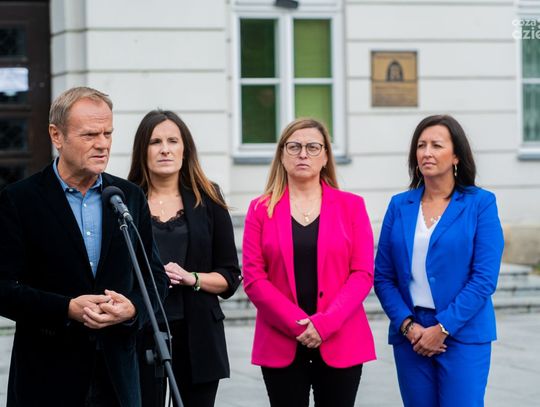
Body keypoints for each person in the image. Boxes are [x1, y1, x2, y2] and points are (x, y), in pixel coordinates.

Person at [0, 86, 168, 406]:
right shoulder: (19, 200)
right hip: (47, 378)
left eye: (108, 133)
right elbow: (4, 288)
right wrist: (66, 308)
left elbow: (154, 279)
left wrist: (133, 309)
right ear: (57, 135)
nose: (102, 144)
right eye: (90, 134)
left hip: (118, 378)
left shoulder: (128, 197)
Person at [242, 118, 376, 407]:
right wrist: (299, 326)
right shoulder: (260, 209)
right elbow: (253, 278)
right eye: (294, 147)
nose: (303, 154)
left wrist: (325, 324)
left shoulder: (352, 206)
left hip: (341, 338)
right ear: (282, 155)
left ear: (326, 156)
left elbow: (362, 273)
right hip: (281, 341)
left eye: (313, 147)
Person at [374, 114, 505, 407]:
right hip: (411, 334)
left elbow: (484, 279)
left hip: (463, 331)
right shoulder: (400, 205)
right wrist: (408, 326)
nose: (427, 152)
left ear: (456, 155)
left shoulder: (480, 203)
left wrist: (443, 327)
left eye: (436, 145)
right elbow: (383, 276)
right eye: (421, 145)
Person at [128, 110, 241, 407]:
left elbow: (230, 276)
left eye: (172, 141)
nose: (165, 149)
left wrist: (192, 278)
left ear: (184, 149)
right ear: (142, 150)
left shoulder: (209, 198)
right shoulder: (126, 200)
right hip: (142, 331)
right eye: (155, 142)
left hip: (198, 334)